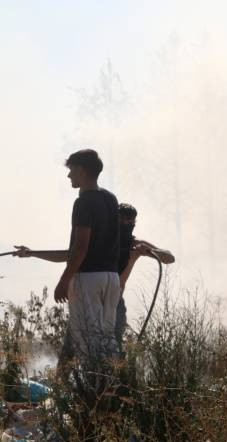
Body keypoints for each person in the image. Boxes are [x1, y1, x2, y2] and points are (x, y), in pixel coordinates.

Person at [15, 149, 120, 369]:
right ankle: (112, 388)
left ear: (82, 170)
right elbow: (79, 251)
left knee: (88, 342)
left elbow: (80, 249)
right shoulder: (110, 199)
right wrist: (32, 253)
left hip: (88, 280)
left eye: (71, 170)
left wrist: (64, 281)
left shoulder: (82, 202)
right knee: (107, 338)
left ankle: (94, 394)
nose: (69, 176)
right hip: (111, 278)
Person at [115, 203, 176, 347]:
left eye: (131, 221)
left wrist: (145, 250)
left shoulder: (135, 244)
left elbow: (169, 258)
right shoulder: (101, 241)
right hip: (96, 297)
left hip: (116, 299)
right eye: (123, 220)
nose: (127, 224)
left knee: (114, 343)